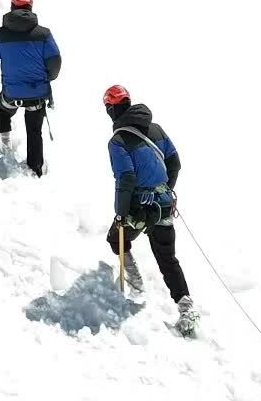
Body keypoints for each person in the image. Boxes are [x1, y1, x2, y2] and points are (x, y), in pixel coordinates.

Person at [102, 85, 197, 336]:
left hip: (138, 209)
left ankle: (135, 284)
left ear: (111, 108)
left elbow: (126, 179)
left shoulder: (118, 141)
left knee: (116, 239)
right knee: (167, 259)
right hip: (163, 205)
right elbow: (174, 163)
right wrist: (164, 190)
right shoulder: (156, 129)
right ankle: (186, 308)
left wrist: (121, 214)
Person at [0, 0, 60, 175]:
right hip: (38, 95)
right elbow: (55, 61)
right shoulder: (44, 34)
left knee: (3, 110)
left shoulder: (0, 35)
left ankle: (5, 144)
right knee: (35, 131)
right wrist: (48, 79)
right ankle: (35, 168)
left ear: (12, 7)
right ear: (30, 7)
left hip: (11, 95)